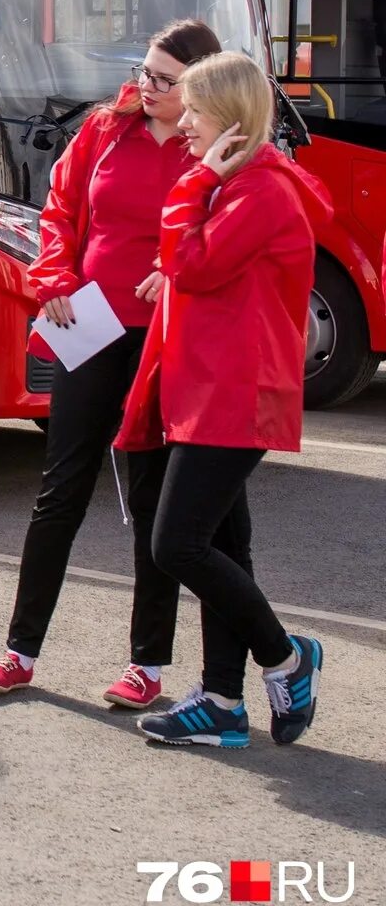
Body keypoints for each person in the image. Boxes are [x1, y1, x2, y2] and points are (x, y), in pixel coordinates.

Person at [0, 18, 222, 706]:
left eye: (163, 80)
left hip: (165, 335)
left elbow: (222, 236)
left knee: (151, 499)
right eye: (144, 71)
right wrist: (52, 277)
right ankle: (19, 651)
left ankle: (148, 666)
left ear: (198, 85)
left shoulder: (212, 148)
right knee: (61, 488)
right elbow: (57, 211)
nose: (146, 87)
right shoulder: (106, 127)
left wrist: (177, 272)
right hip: (90, 321)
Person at [118, 51, 329, 748]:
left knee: (177, 543)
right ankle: (221, 701)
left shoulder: (259, 190)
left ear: (231, 121)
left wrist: (198, 182)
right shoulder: (243, 184)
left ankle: (286, 658)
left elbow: (192, 263)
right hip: (215, 388)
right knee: (218, 545)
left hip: (233, 392)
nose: (185, 127)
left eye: (197, 114)